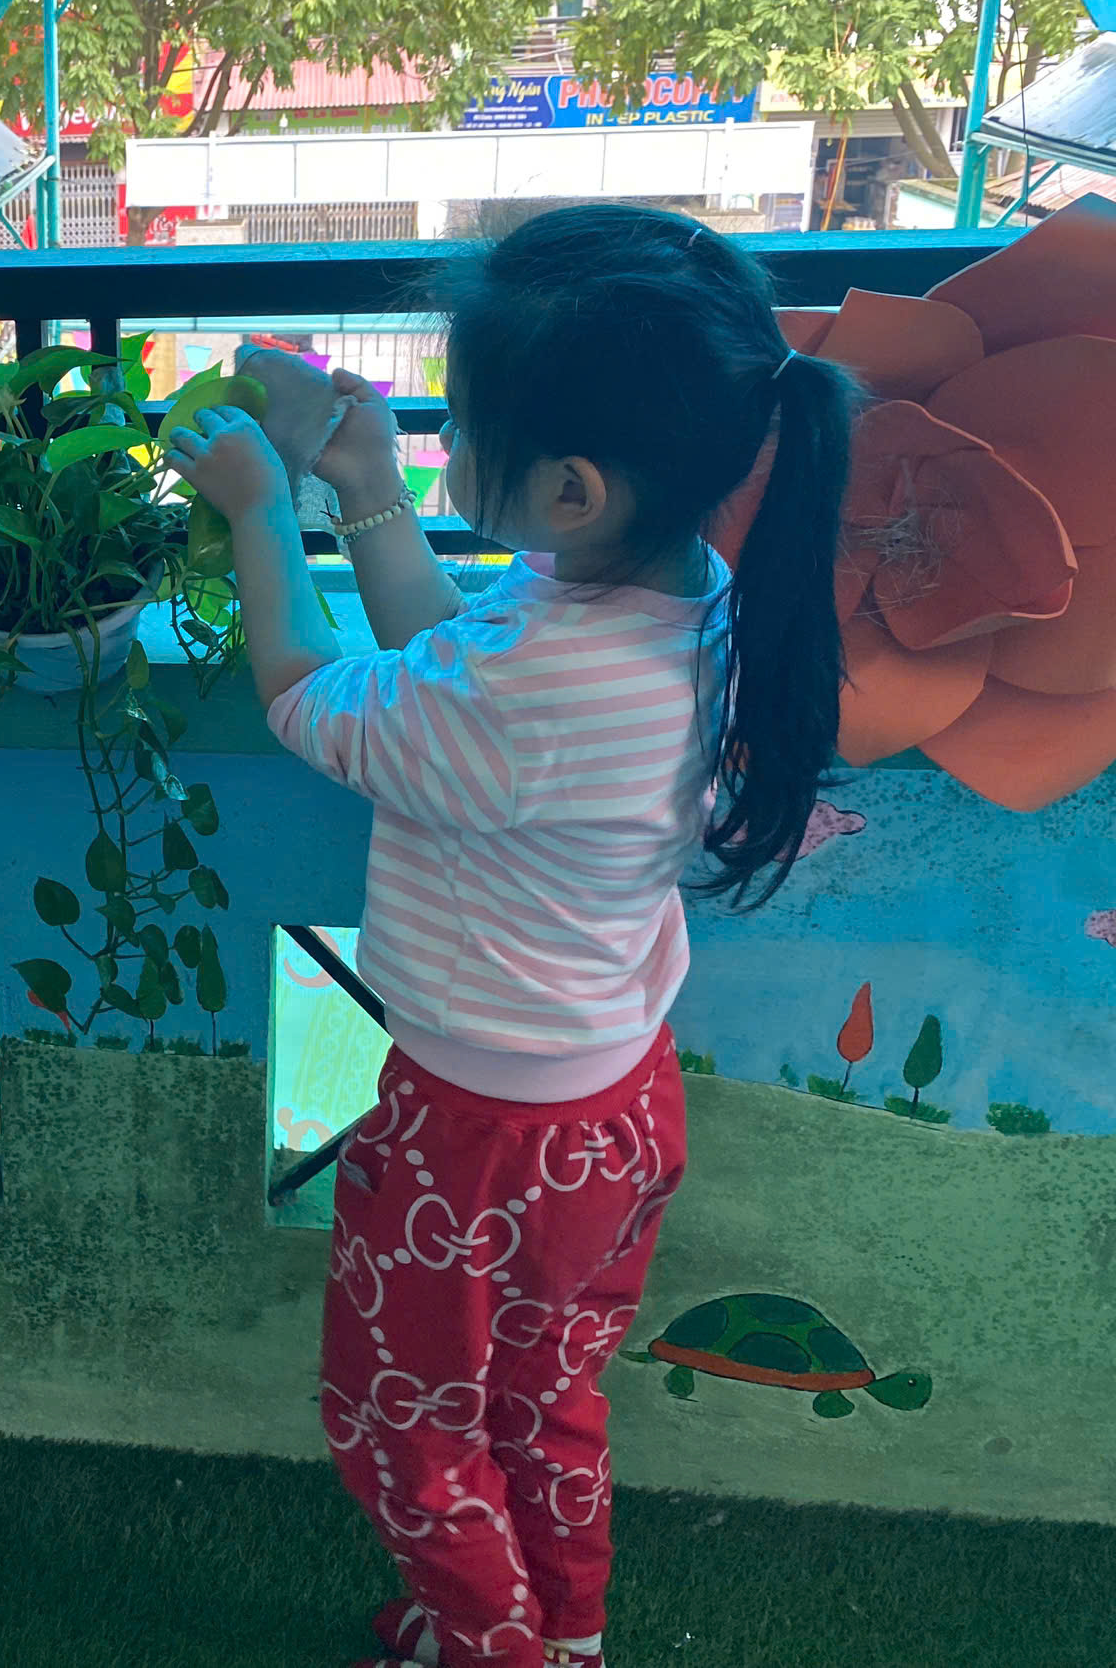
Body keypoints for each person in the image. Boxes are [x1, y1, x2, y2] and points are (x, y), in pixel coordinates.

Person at [171, 207, 853, 1668]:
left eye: (459, 426)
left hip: (479, 1140)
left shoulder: (535, 684)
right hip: (612, 1108)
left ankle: (494, 1650)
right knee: (543, 1404)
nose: (443, 441)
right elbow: (452, 664)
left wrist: (259, 512)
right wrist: (366, 487)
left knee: (403, 1429)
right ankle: (564, 1634)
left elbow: (308, 693)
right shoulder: (681, 599)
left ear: (571, 489)